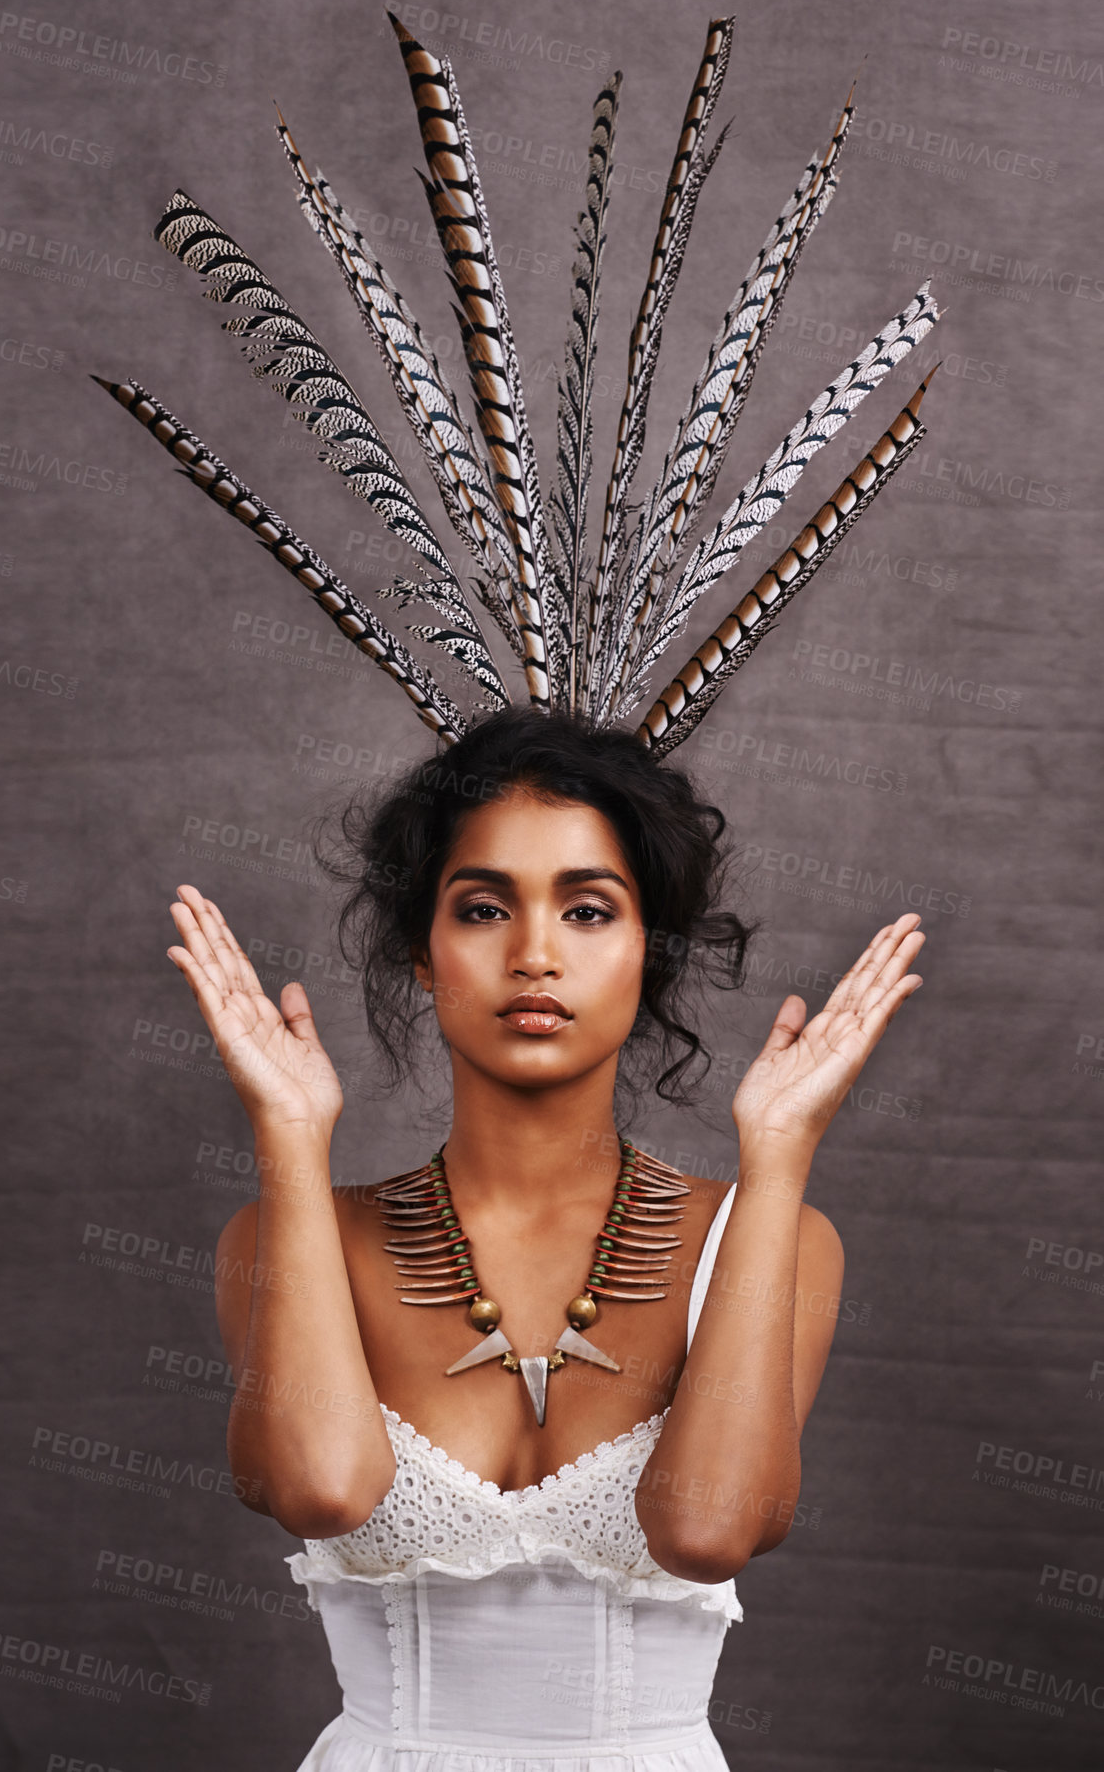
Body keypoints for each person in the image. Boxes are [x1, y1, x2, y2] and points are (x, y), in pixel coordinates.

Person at [165, 706, 924, 1770]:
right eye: (481, 908)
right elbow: (320, 1489)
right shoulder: (289, 1233)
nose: (532, 954)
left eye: (586, 909)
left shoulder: (771, 1236)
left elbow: (705, 1532)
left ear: (645, 952)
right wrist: (289, 1138)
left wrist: (778, 1154)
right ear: (422, 957)